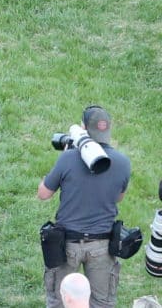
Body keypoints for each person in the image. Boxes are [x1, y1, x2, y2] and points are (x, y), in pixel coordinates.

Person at [37, 105, 131, 308]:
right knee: (102, 303)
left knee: (60, 302)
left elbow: (43, 194)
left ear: (83, 129)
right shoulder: (123, 162)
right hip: (102, 246)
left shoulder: (68, 158)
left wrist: (62, 163)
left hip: (67, 244)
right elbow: (118, 198)